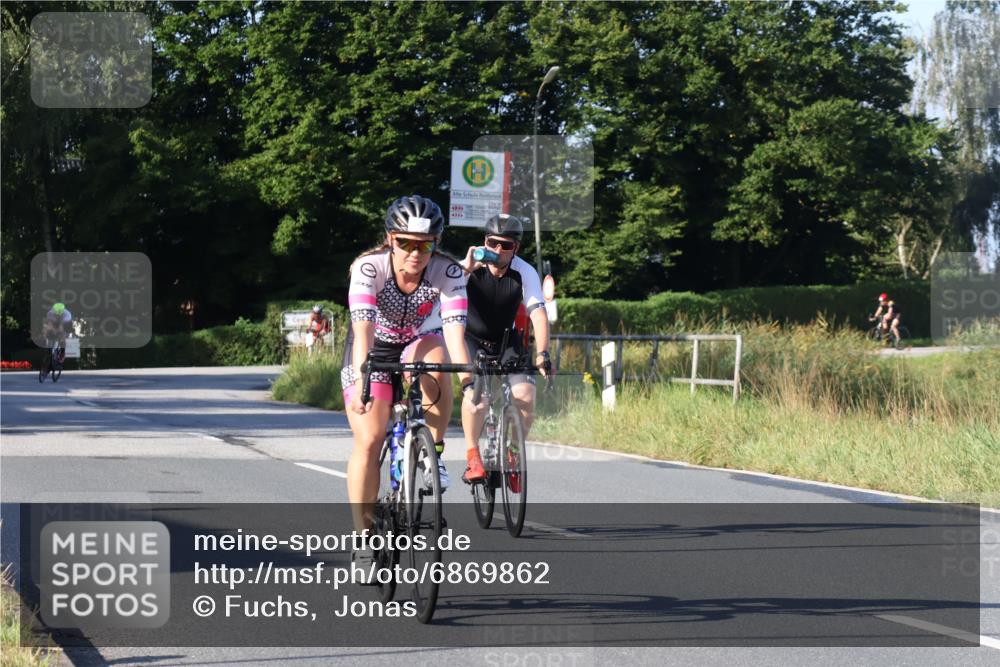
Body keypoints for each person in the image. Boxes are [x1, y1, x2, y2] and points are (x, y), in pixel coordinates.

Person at [341, 195, 475, 565]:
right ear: (390, 240)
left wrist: (470, 384)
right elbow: (363, 334)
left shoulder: (448, 272)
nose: (415, 254)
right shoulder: (369, 268)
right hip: (371, 350)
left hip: (416, 343)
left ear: (436, 244)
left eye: (425, 245)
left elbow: (455, 337)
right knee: (369, 440)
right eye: (405, 244)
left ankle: (434, 452)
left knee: (437, 355)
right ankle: (364, 538)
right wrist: (363, 388)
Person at [458, 213, 551, 483]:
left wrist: (543, 353)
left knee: (526, 395)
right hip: (471, 339)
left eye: (506, 245)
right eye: (492, 242)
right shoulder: (471, 267)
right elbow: (445, 293)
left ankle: (512, 451)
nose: (498, 250)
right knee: (476, 400)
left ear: (516, 249)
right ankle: (473, 456)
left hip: (507, 340)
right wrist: (466, 267)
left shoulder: (525, 271)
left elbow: (538, 314)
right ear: (484, 242)